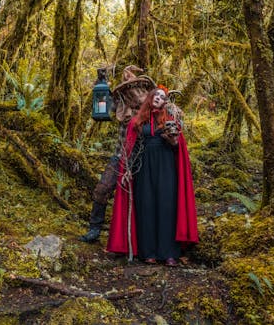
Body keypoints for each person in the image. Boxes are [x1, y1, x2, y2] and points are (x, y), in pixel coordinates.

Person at [106, 86, 198, 266]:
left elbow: (177, 146)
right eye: (156, 94)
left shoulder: (170, 120)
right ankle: (148, 253)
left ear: (165, 102)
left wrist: (171, 139)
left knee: (166, 207)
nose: (158, 98)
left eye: (162, 97)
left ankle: (169, 253)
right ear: (150, 97)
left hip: (166, 168)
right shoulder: (137, 121)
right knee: (146, 207)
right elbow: (130, 148)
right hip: (144, 168)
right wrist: (127, 170)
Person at [79, 66, 156, 242]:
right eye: (129, 89)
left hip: (144, 159)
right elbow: (103, 106)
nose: (133, 94)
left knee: (143, 197)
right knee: (102, 189)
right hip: (120, 157)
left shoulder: (152, 108)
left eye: (135, 89)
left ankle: (142, 237)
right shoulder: (122, 106)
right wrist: (101, 83)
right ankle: (95, 229)